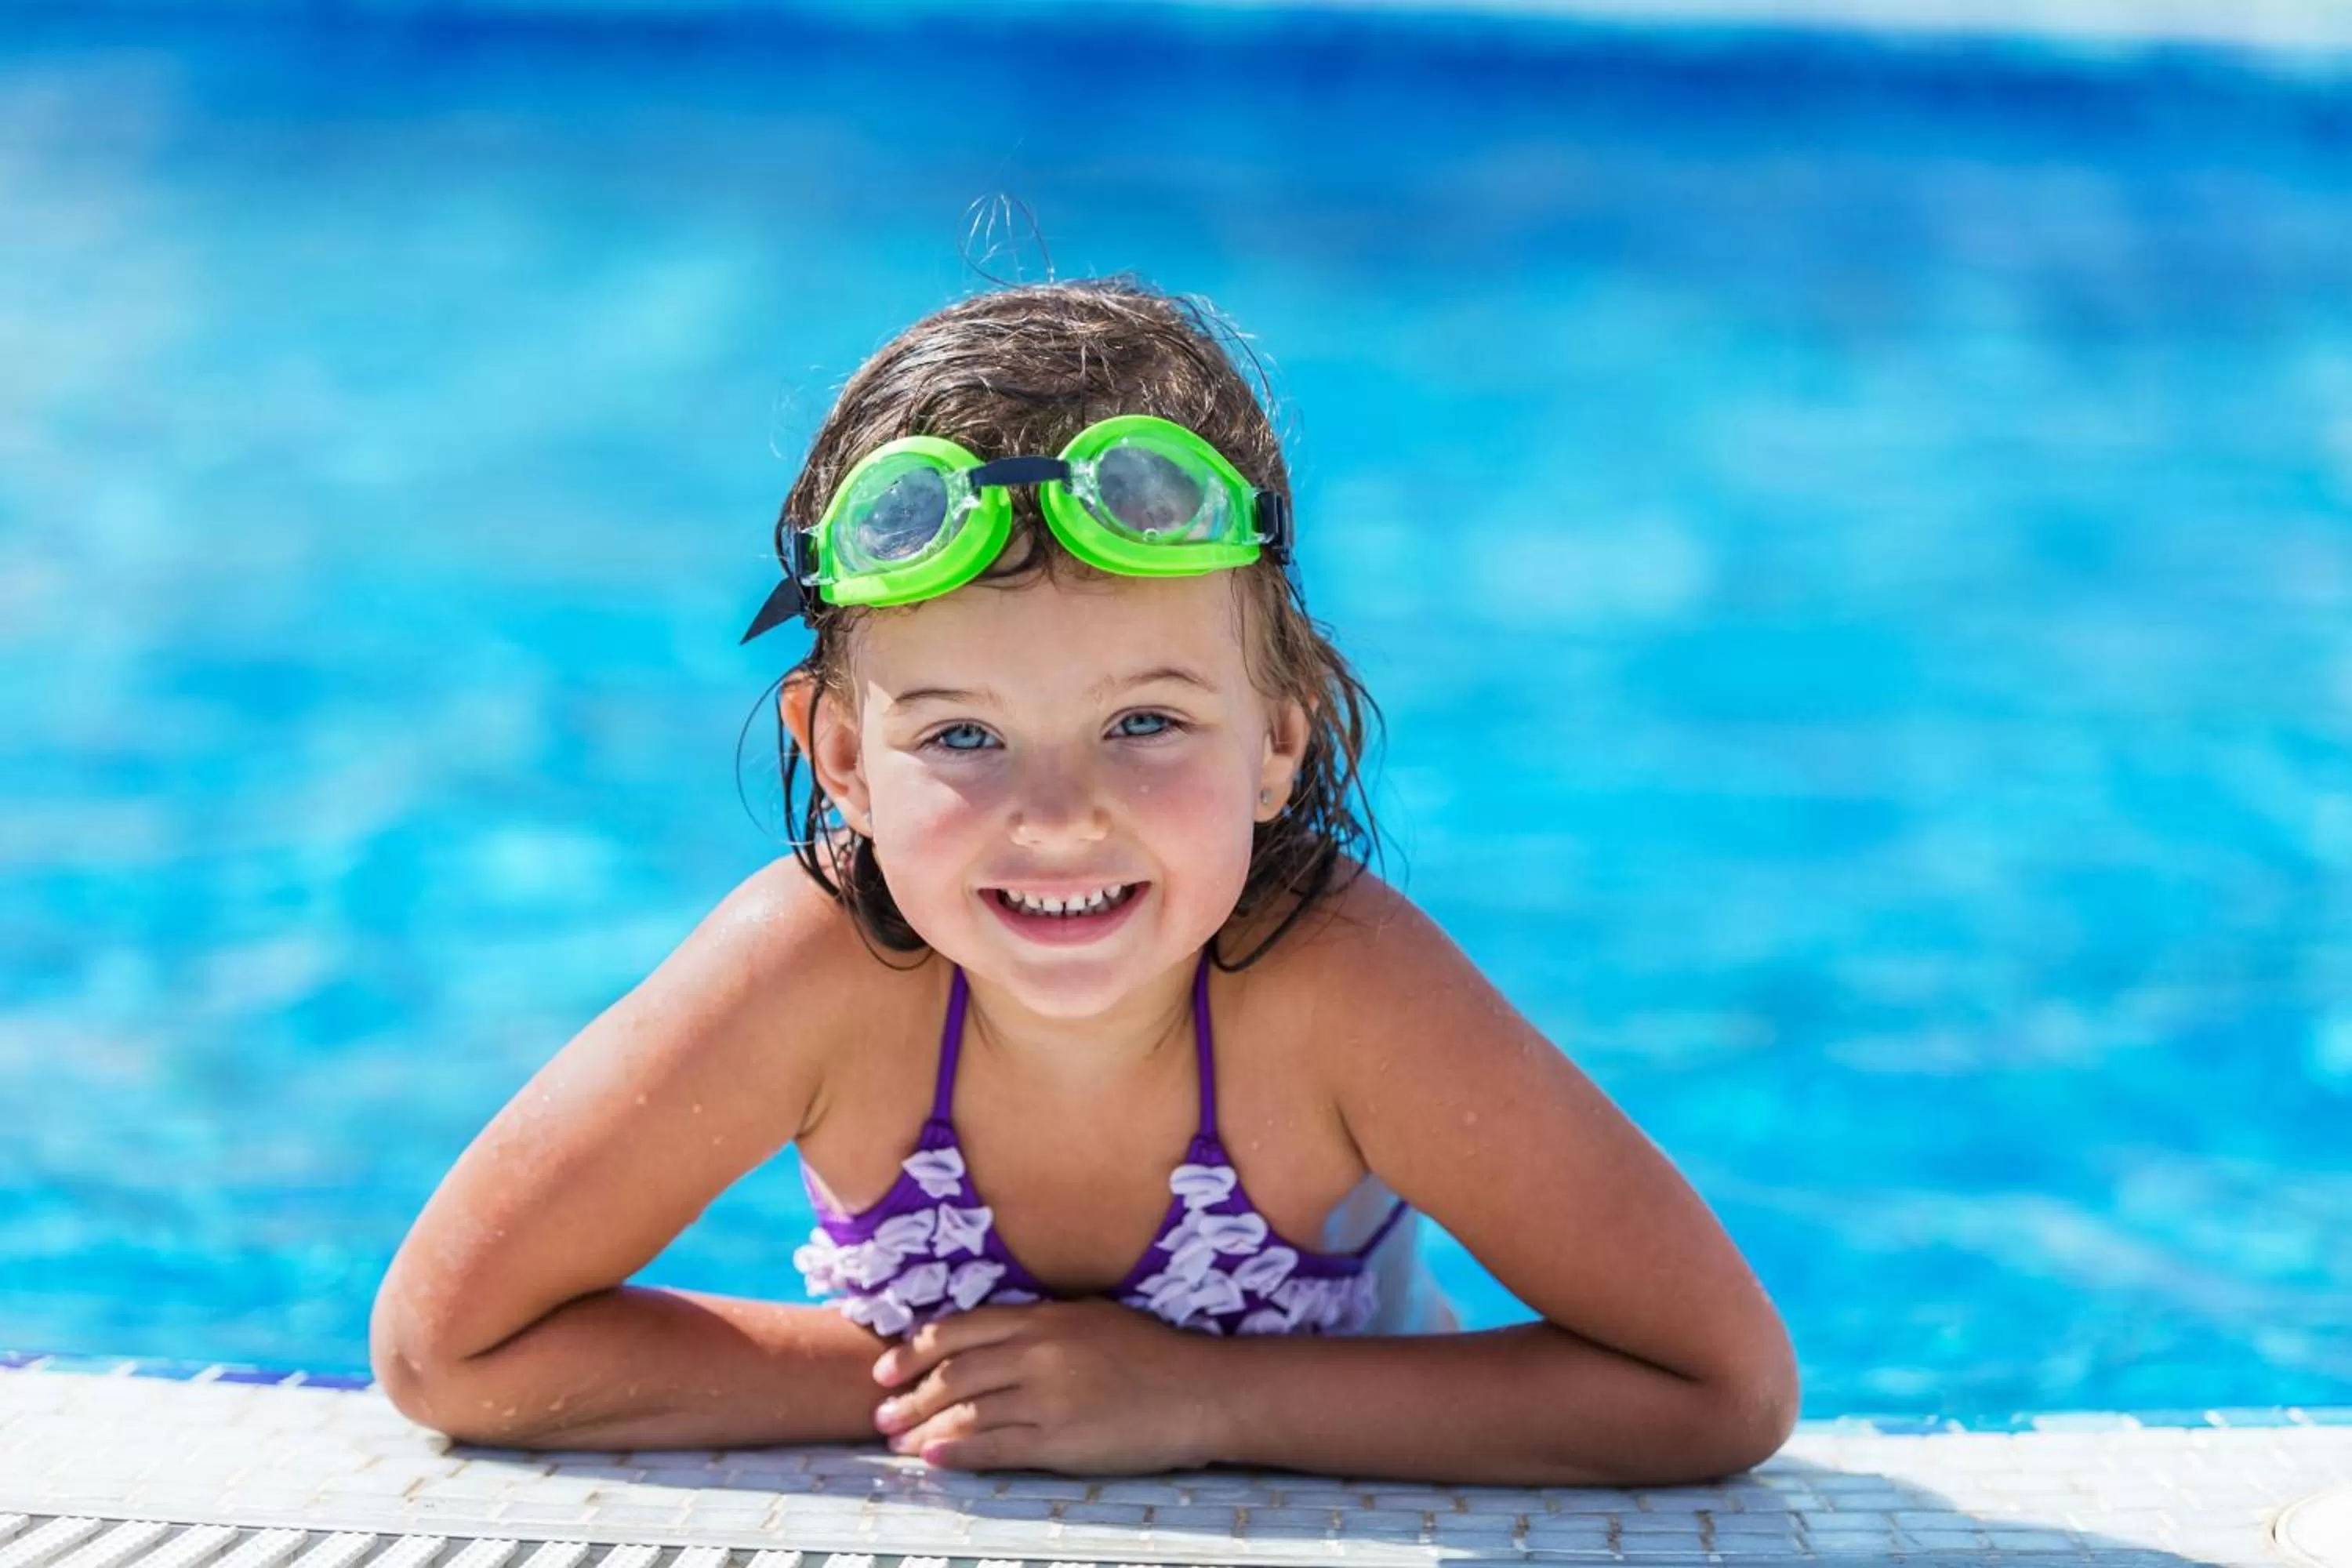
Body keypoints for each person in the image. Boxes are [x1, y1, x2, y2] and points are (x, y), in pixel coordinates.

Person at [370, 277, 1798, 1486]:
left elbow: (1715, 1387)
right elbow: (450, 1350)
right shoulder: (813, 975)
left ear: (1275, 746)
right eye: (965, 737)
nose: (1059, 818)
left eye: (1146, 724)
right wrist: (954, 1388)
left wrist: (1209, 1401)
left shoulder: (1341, 996)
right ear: (846, 756)